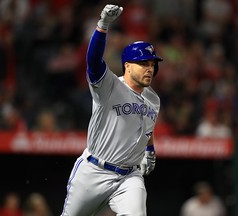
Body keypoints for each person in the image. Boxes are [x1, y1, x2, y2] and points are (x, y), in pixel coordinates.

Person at [61, 4, 163, 216]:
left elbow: (146, 126)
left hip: (129, 177)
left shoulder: (153, 99)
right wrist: (103, 25)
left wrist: (150, 150)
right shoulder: (109, 86)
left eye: (152, 64)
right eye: (143, 63)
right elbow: (93, 62)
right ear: (127, 65)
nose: (149, 68)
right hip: (94, 171)